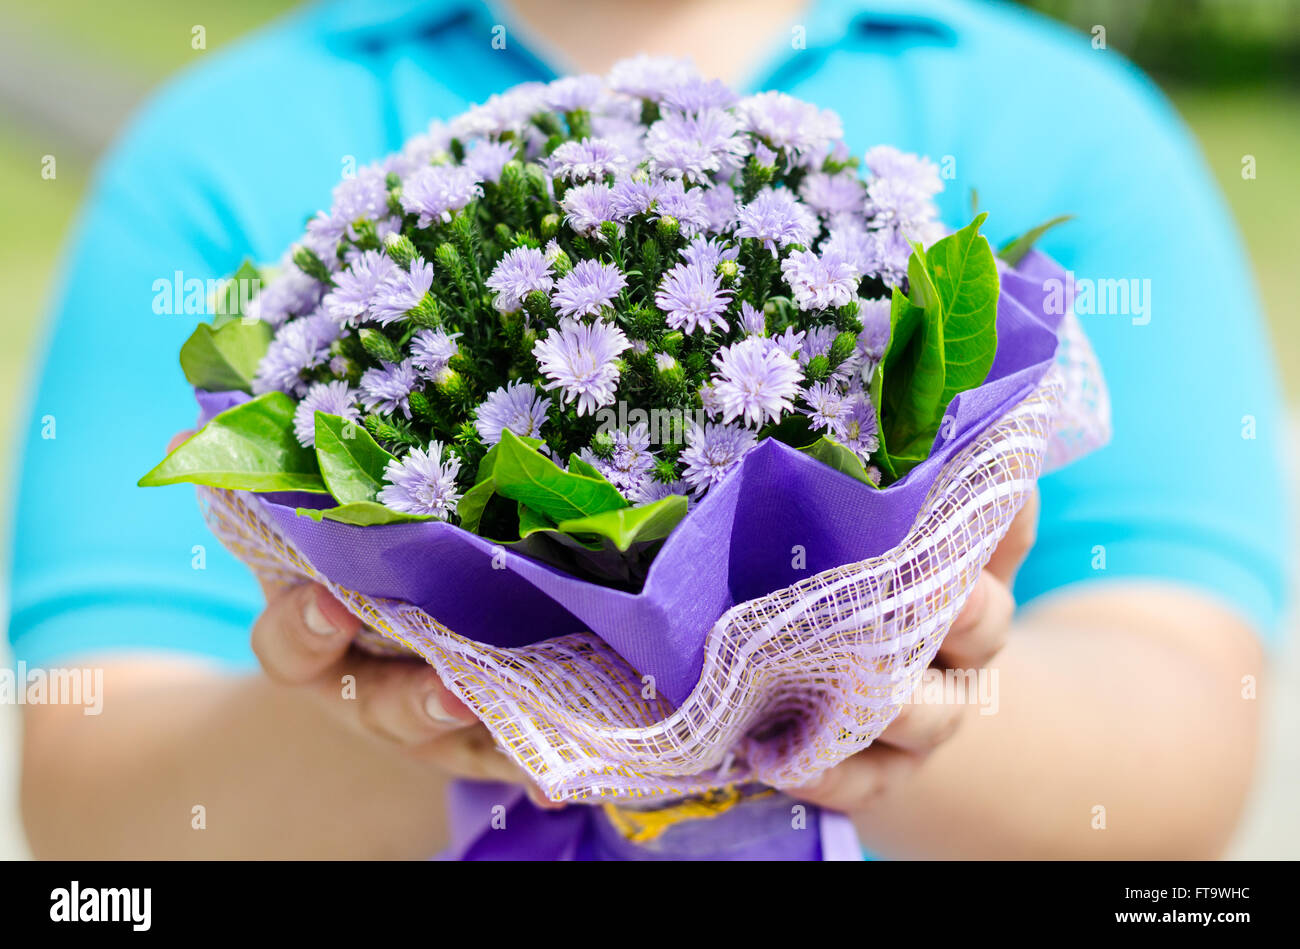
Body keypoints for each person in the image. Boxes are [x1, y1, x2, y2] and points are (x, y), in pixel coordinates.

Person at [10, 0, 1289, 859]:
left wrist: (874, 686)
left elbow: (1179, 754)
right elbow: (94, 807)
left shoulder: (1065, 125)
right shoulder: (225, 148)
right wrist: (439, 695)